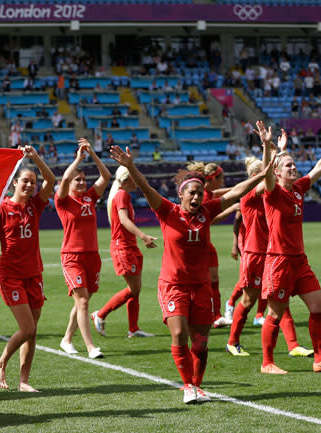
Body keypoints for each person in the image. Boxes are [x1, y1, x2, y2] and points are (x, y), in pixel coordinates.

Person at [110, 144, 272, 404]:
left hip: (201, 287)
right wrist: (130, 166)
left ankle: (197, 386)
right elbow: (147, 189)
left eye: (199, 194)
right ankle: (187, 386)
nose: (196, 198)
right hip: (173, 285)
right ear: (181, 195)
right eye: (192, 194)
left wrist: (263, 174)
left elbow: (239, 192)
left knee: (201, 343)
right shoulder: (167, 211)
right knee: (178, 334)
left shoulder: (207, 212)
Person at [260, 120, 321, 374]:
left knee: (318, 307)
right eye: (288, 166)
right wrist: (268, 147)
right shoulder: (272, 192)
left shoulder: (297, 189)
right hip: (279, 261)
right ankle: (267, 363)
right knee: (274, 313)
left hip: (299, 261)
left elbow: (319, 168)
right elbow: (265, 172)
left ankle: (320, 360)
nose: (294, 168)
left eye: (294, 164)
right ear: (277, 172)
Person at [226, 123, 313, 358]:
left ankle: (293, 345)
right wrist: (271, 149)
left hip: (273, 254)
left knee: (279, 300)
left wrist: (280, 150)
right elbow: (270, 174)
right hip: (255, 254)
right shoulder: (251, 195)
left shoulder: (276, 192)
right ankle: (233, 341)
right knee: (249, 299)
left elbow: (275, 173)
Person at [0, 146, 55, 392]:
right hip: (11, 277)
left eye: (32, 182)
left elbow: (51, 179)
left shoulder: (35, 205)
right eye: (25, 181)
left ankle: (24, 381)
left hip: (34, 275)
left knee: (32, 332)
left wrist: (35, 158)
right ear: (14, 183)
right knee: (28, 328)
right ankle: (0, 363)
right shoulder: (2, 208)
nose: (30, 185)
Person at [56, 139, 111, 359]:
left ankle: (67, 339)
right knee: (84, 301)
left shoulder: (89, 197)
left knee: (82, 300)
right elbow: (66, 177)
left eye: (83, 179)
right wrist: (78, 158)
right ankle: (90, 346)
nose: (80, 182)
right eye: (76, 179)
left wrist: (93, 155)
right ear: (68, 183)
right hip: (72, 256)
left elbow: (106, 176)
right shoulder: (63, 201)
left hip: (92, 256)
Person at [91, 165, 157, 339]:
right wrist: (143, 236)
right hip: (123, 247)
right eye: (135, 176)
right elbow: (123, 220)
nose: (138, 179)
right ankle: (100, 314)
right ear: (128, 179)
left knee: (136, 289)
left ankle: (133, 329)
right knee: (133, 289)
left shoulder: (123, 195)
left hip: (129, 246)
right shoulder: (122, 195)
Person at [185, 161, 232, 328]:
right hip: (201, 245)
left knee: (212, 279)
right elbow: (208, 220)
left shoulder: (208, 192)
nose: (224, 180)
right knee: (207, 281)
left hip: (204, 244)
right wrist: (232, 209)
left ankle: (215, 315)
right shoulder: (202, 195)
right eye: (222, 177)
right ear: (213, 179)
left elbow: (225, 192)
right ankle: (213, 314)